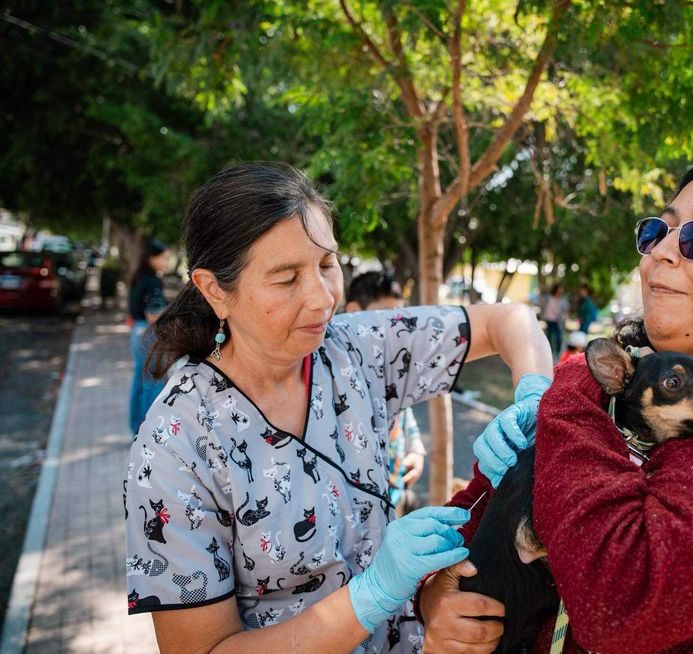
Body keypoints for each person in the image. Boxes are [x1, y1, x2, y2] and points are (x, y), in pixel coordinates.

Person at [418, 157, 693, 653]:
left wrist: (576, 387)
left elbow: (619, 599)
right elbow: (472, 512)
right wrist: (434, 594)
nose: (661, 252)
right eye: (657, 231)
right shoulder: (613, 382)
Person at [123, 162, 553, 653]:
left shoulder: (357, 349)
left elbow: (510, 321)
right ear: (215, 290)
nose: (322, 298)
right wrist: (369, 597)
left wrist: (534, 398)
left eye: (328, 265)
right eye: (286, 279)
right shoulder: (176, 444)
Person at [344, 271, 426, 516]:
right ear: (353, 311)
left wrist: (416, 449)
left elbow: (403, 411)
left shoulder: (390, 363)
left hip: (395, 498)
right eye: (386, 318)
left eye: (399, 318)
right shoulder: (336, 372)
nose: (397, 329)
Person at [127, 237, 172, 436]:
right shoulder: (153, 281)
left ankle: (136, 427)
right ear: (152, 258)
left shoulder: (139, 278)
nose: (167, 262)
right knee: (152, 381)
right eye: (164, 258)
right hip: (149, 332)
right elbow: (154, 314)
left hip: (137, 331)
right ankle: (148, 431)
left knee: (140, 381)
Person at [539, 283, 567, 357]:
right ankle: (549, 351)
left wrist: (564, 318)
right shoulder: (548, 297)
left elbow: (564, 310)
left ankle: (557, 352)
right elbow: (541, 302)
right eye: (559, 289)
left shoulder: (562, 300)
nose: (560, 291)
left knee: (558, 337)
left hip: (557, 321)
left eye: (561, 289)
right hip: (549, 319)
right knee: (550, 335)